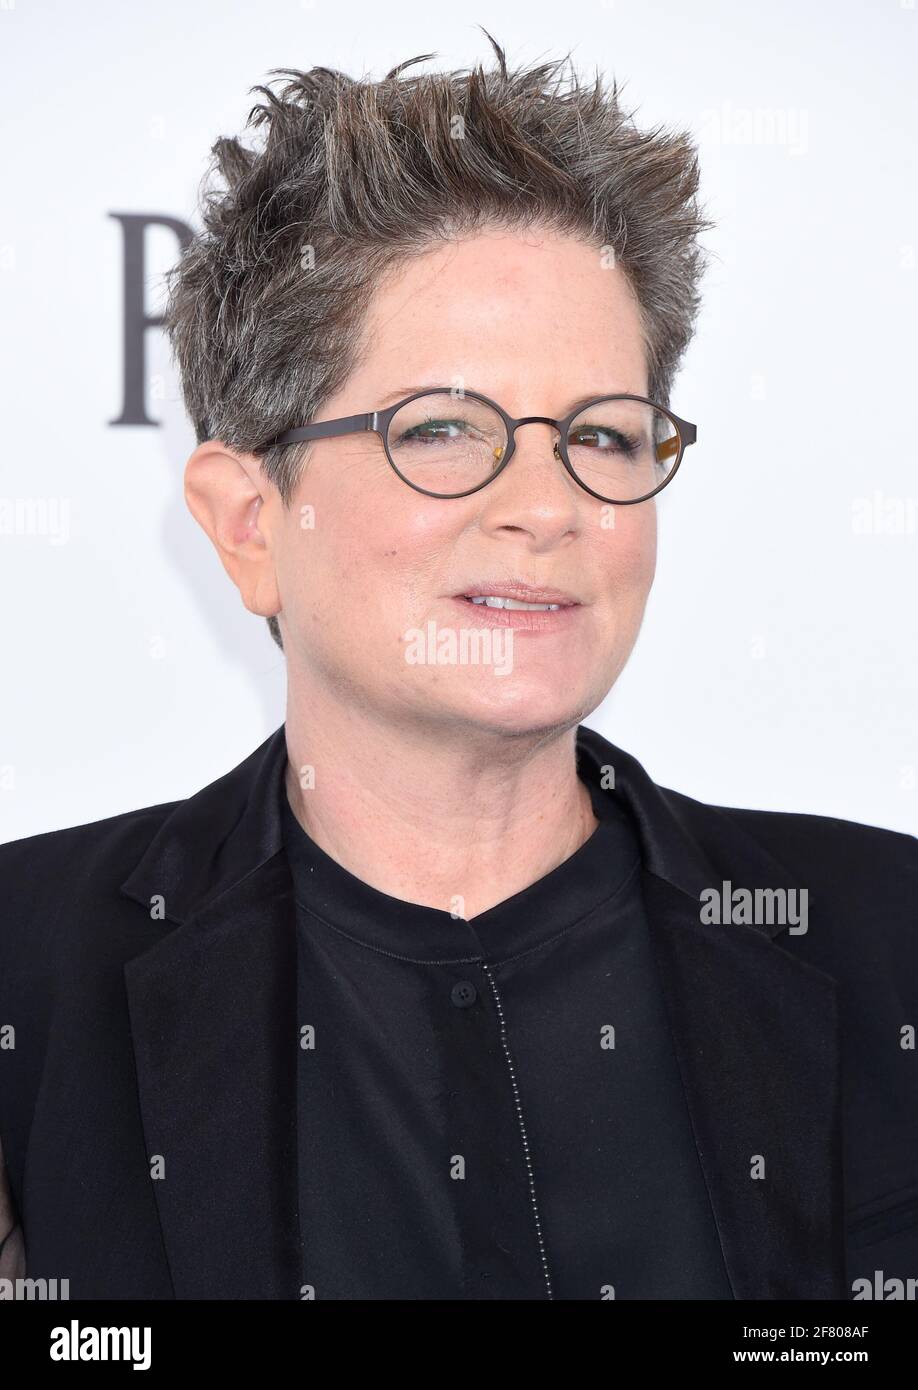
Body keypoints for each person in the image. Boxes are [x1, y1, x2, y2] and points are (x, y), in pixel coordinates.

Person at [1, 34, 916, 1302]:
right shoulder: (27, 969)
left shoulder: (889, 932)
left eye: (602, 432)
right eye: (441, 428)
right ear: (250, 523)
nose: (550, 505)